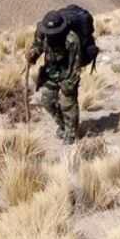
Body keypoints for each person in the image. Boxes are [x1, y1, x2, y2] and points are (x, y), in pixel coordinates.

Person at [26, 10, 83, 145]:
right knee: (47, 99)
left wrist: (68, 86)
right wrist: (33, 54)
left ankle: (71, 133)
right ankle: (63, 126)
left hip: (67, 73)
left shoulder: (71, 39)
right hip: (51, 72)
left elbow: (75, 66)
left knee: (67, 103)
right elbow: (38, 45)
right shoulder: (42, 31)